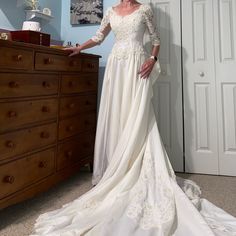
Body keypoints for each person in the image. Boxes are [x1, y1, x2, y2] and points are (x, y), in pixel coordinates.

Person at [31, 1, 236, 235]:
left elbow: (156, 40)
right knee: (116, 112)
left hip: (137, 65)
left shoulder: (144, 9)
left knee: (136, 114)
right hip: (117, 65)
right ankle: (117, 167)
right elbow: (99, 37)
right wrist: (79, 48)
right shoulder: (111, 11)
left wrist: (152, 59)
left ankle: (133, 166)